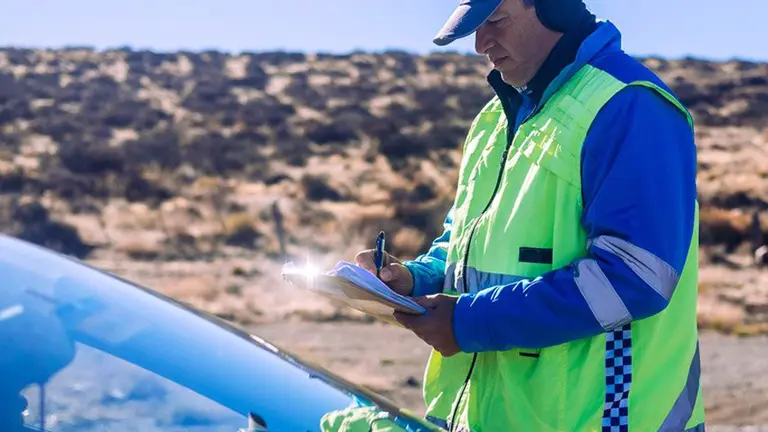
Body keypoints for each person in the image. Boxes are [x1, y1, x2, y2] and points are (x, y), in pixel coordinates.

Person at [355, 0, 705, 430]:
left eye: (495, 22)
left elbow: (636, 278)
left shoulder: (630, 107)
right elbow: (466, 244)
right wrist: (413, 278)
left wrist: (469, 322)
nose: (481, 44)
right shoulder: (494, 120)